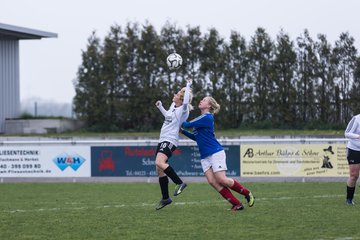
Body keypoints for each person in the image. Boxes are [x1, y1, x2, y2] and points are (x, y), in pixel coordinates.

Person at [181, 96, 255, 211]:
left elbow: (186, 124)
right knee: (212, 181)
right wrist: (182, 131)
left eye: (204, 100)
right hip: (205, 156)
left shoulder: (207, 117)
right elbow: (196, 137)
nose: (201, 101)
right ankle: (237, 204)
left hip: (215, 152)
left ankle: (247, 193)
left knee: (222, 179)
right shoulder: (201, 118)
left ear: (209, 106)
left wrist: (179, 114)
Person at [154, 78, 193, 210]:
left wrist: (188, 85)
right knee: (159, 169)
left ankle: (180, 183)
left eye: (177, 94)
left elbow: (186, 100)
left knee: (159, 162)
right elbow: (168, 117)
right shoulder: (173, 106)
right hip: (162, 139)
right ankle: (166, 198)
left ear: (181, 99)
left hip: (170, 140)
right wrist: (160, 107)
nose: (174, 95)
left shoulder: (183, 109)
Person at [344, 113, 360, 205]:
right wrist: (358, 136)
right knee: (354, 175)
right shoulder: (357, 119)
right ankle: (349, 199)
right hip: (354, 149)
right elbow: (346, 133)